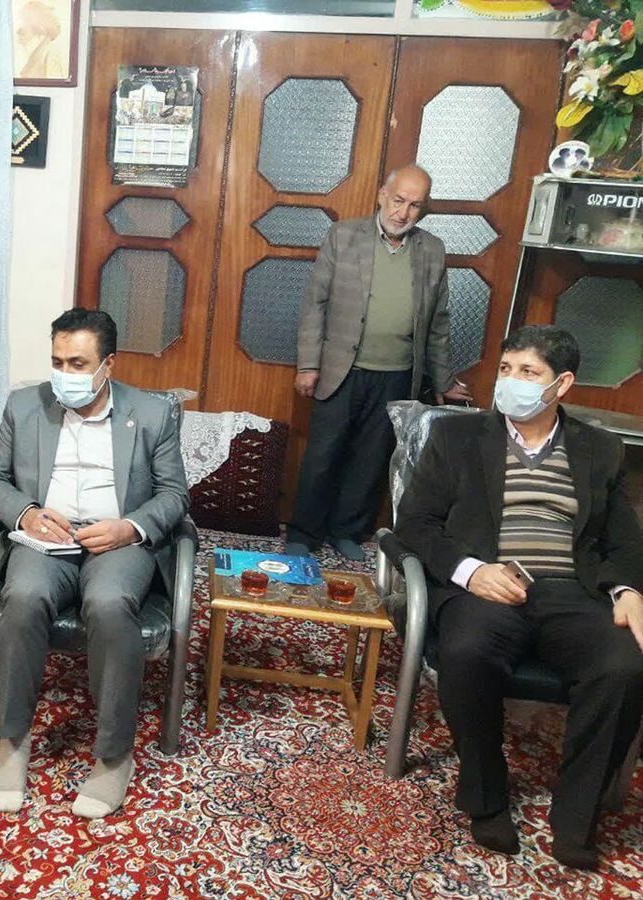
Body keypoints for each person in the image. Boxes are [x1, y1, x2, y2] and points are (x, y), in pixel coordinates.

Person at [395, 325, 643, 870]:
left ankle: (576, 816)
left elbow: (625, 540)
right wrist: (470, 572)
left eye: (528, 372)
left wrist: (628, 590)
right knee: (466, 652)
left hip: (571, 592)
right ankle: (486, 795)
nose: (510, 382)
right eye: (506, 369)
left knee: (623, 667)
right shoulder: (457, 437)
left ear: (562, 384)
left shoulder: (599, 449)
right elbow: (414, 523)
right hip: (487, 584)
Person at [0, 308, 189, 818]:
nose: (65, 374)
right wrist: (26, 514)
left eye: (78, 363)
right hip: (46, 538)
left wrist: (129, 527)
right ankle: (12, 743)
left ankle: (113, 757)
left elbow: (175, 494)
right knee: (23, 598)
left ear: (108, 364)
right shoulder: (25, 406)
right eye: (58, 362)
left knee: (109, 603)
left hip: (116, 541)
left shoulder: (152, 413)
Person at [287, 164, 472, 561]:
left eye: (414, 206)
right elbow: (315, 303)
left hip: (397, 374)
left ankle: (347, 531)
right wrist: (308, 365)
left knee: (370, 460)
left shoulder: (432, 250)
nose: (402, 213)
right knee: (322, 456)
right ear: (382, 195)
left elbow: (438, 322)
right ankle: (303, 533)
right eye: (398, 200)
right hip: (340, 370)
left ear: (423, 210)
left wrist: (444, 379)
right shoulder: (344, 235)